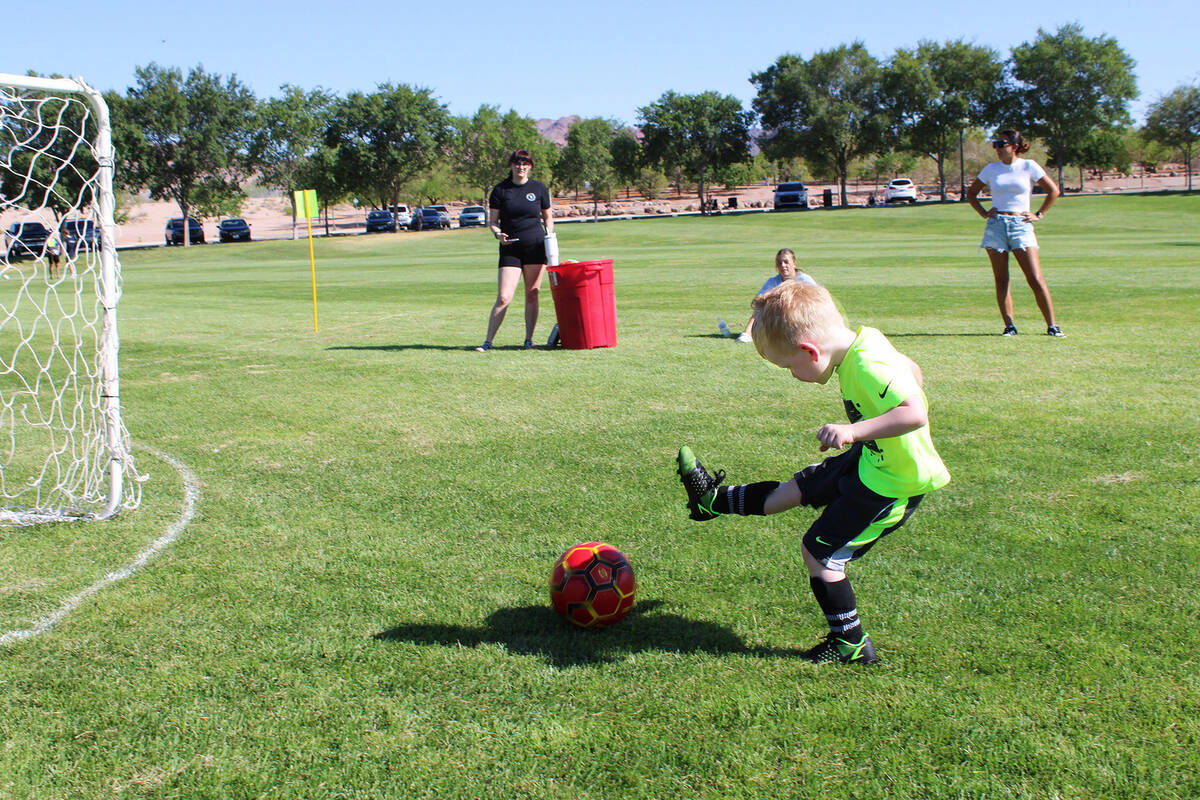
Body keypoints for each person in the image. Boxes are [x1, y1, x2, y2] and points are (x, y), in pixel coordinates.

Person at [676, 280, 951, 665]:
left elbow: (914, 413)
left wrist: (853, 430)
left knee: (820, 554)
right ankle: (712, 502)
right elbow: (911, 370)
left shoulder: (868, 365)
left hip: (893, 483)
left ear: (809, 351)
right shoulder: (865, 341)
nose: (793, 375)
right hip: (870, 459)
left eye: (790, 367)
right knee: (799, 487)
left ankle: (850, 643)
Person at [966, 129, 1064, 337]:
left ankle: (1052, 326)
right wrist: (984, 212)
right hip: (997, 225)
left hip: (1021, 224)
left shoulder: (1028, 166)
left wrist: (1039, 214)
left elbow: (1053, 190)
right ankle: (1009, 325)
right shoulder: (991, 169)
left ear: (1014, 146)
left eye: (1001, 144)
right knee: (1001, 279)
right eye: (995, 145)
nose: (997, 149)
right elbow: (971, 193)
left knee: (1035, 278)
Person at [474, 149, 553, 352]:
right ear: (511, 165)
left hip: (535, 247)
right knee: (504, 296)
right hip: (510, 249)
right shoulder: (501, 190)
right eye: (517, 163)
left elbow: (548, 218)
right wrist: (498, 234)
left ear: (530, 166)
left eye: (525, 163)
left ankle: (528, 340)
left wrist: (550, 237)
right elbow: (492, 222)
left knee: (532, 294)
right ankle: (488, 342)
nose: (521, 167)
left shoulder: (539, 188)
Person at [734, 248, 817, 343]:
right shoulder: (773, 281)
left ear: (794, 263)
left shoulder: (805, 280)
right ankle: (747, 334)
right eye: (779, 263)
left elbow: (819, 299)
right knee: (760, 309)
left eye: (786, 262)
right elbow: (756, 302)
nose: (783, 265)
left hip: (802, 314)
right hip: (779, 316)